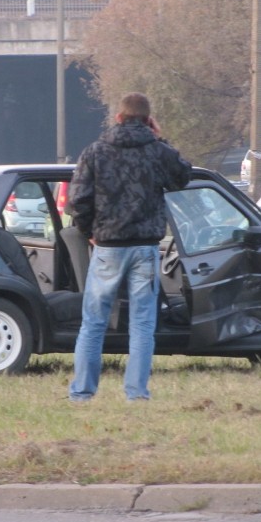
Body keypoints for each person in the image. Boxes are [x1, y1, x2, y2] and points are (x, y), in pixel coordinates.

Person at [66, 92, 192, 402]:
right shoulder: (157, 151)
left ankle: (82, 393)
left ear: (118, 118)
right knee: (142, 324)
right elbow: (183, 176)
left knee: (93, 322)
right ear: (149, 121)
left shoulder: (94, 152)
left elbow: (78, 201)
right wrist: (160, 139)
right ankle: (136, 394)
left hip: (107, 246)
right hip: (145, 249)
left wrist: (91, 233)